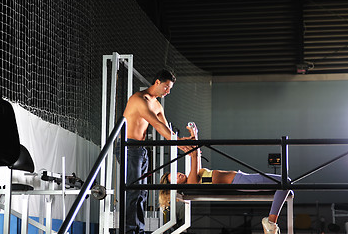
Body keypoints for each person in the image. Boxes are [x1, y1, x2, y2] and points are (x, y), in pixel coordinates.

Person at [159, 125, 293, 234]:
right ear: (175, 186)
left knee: (285, 184)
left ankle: (271, 222)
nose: (178, 175)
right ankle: (270, 222)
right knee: (285, 182)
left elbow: (197, 156)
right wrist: (190, 142)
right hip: (240, 181)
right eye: (175, 178)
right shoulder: (191, 182)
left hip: (241, 178)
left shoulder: (194, 175)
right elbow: (193, 155)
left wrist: (195, 136)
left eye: (175, 173)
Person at [117, 69, 193, 234]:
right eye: (166, 87)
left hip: (141, 149)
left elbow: (167, 130)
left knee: (142, 192)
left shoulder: (157, 105)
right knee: (134, 190)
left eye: (170, 88)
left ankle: (139, 228)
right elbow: (157, 125)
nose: (168, 91)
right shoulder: (138, 99)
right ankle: (130, 231)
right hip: (128, 146)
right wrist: (178, 143)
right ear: (157, 82)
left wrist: (183, 141)